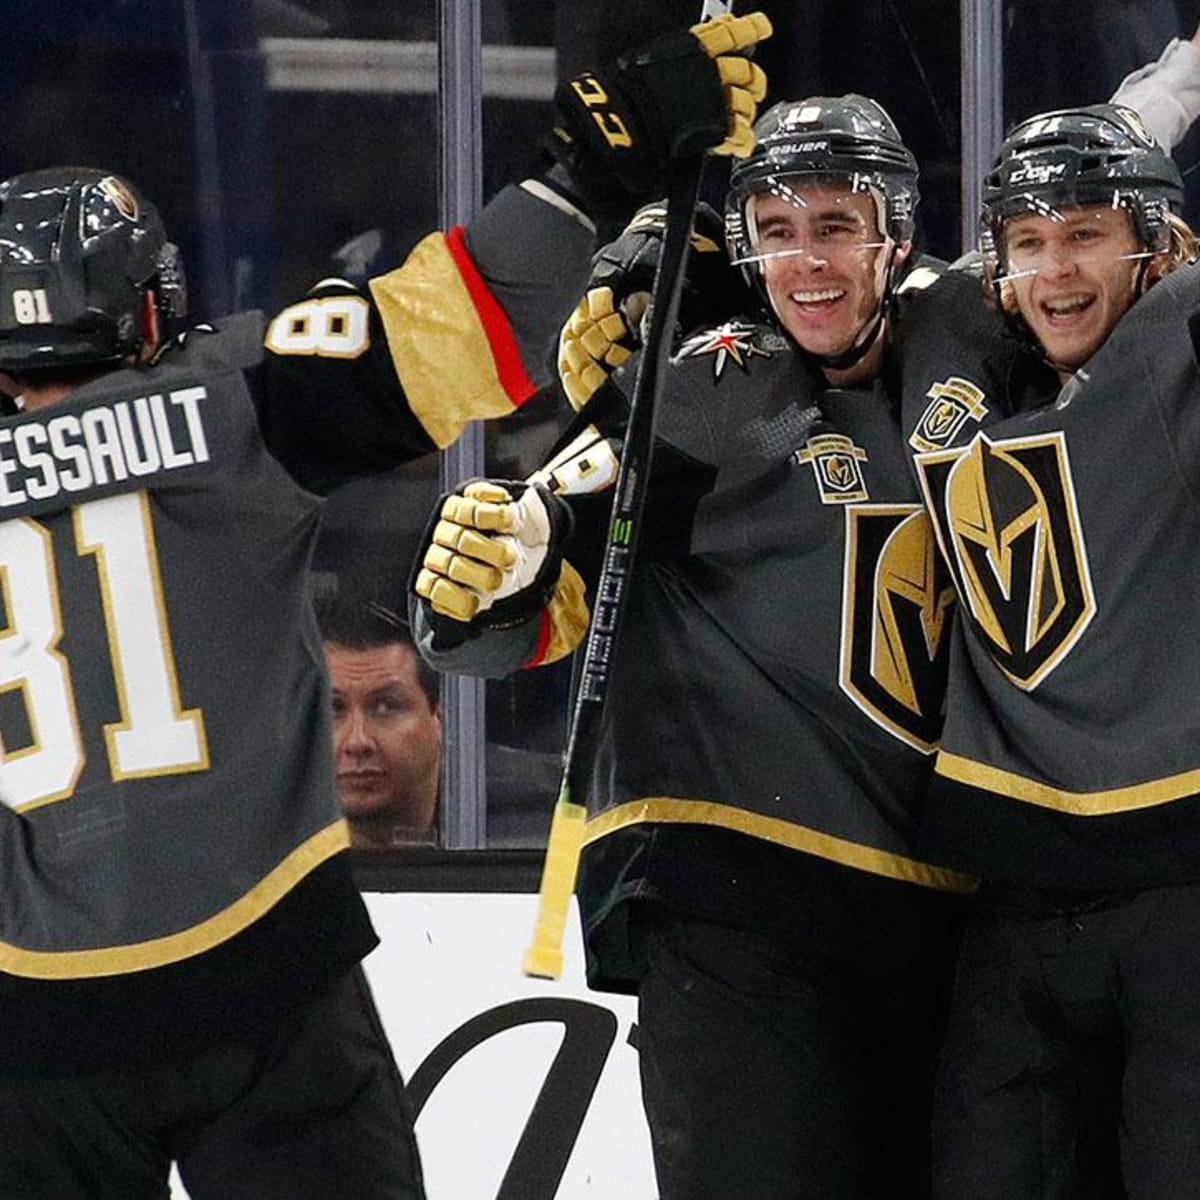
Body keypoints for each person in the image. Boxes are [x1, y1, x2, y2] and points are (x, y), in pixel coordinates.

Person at [0, 16, 772, 1198]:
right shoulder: (234, 407)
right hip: (267, 979)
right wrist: (593, 165)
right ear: (148, 314)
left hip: (30, 1028)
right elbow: (470, 317)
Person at [412, 95, 974, 1199]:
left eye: (833, 224)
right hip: (738, 894)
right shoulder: (716, 385)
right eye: (774, 228)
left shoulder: (977, 346)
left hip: (954, 904)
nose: (805, 259)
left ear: (897, 232)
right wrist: (498, 571)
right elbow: (544, 575)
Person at [896, 102, 1200, 1198]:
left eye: (1086, 235)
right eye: (1030, 240)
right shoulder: (954, 344)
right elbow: (818, 271)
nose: (1056, 268)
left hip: (1185, 888)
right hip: (1014, 901)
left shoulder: (1185, 346)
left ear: (1158, 246)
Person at [317, 590, 442, 849]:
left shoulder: (517, 826)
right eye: (333, 709)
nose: (358, 742)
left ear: (438, 718)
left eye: (386, 706)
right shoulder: (259, 869)